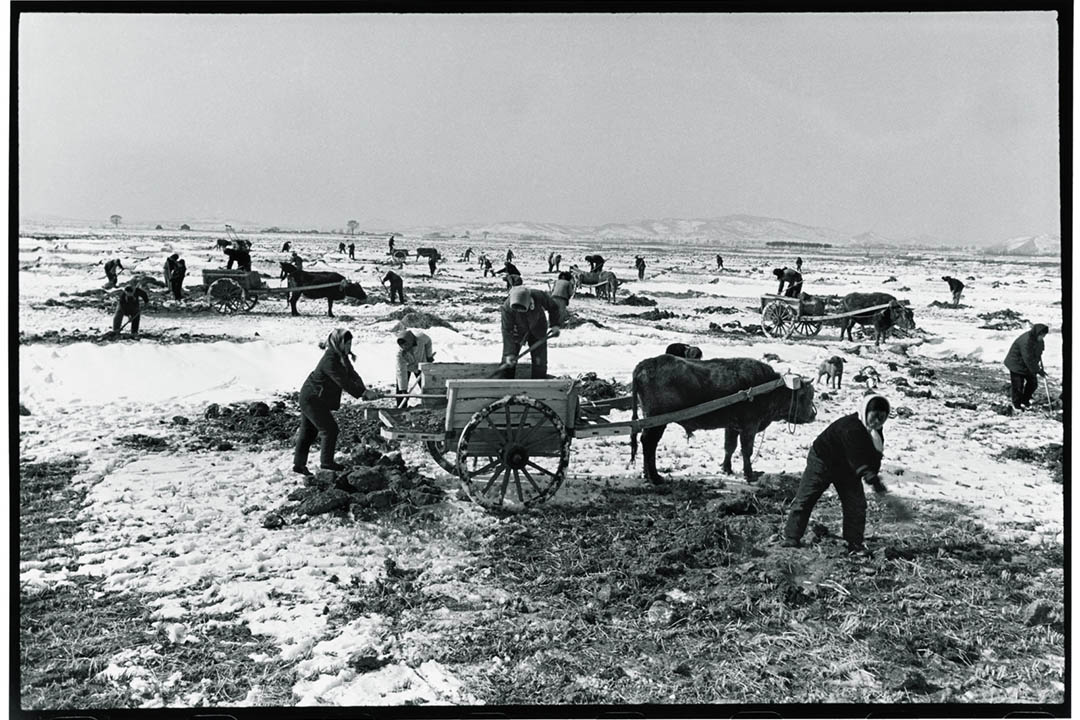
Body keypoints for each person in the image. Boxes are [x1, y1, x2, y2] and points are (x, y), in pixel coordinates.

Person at [782, 395, 892, 556]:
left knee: (856, 504)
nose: (877, 422)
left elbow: (874, 456)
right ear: (865, 411)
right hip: (822, 461)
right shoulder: (850, 427)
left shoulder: (875, 434)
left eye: (882, 418)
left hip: (847, 469)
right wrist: (869, 475)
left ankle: (854, 543)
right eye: (874, 416)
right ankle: (792, 537)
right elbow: (856, 455)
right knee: (806, 498)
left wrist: (874, 475)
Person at [293, 329, 379, 475]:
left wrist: (364, 391)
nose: (349, 347)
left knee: (308, 432)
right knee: (330, 429)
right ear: (339, 343)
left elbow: (352, 375)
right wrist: (362, 393)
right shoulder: (330, 359)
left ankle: (299, 465)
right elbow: (342, 380)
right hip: (312, 398)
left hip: (316, 398)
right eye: (347, 343)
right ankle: (326, 463)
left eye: (351, 343)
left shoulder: (341, 357)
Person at [499, 286, 563, 379]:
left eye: (522, 309)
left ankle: (538, 387)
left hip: (538, 327)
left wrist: (555, 324)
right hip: (518, 331)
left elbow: (553, 307)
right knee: (508, 362)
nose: (520, 311)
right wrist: (509, 353)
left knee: (539, 361)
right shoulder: (507, 308)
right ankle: (505, 387)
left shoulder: (539, 295)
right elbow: (507, 330)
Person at [1003, 324, 1049, 410]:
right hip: (1016, 363)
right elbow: (1028, 358)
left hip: (1027, 365)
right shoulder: (1026, 341)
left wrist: (1039, 365)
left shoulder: (1039, 340)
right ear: (1037, 333)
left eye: (1044, 335)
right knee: (1018, 386)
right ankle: (1016, 404)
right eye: (1042, 335)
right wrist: (1037, 370)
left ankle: (1025, 400)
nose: (1043, 337)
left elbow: (1039, 353)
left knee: (1033, 384)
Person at [394, 329, 435, 408]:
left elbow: (428, 342)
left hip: (420, 364)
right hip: (407, 367)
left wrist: (429, 356)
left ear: (410, 341)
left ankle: (430, 406)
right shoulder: (400, 353)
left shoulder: (421, 338)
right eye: (403, 346)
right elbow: (401, 371)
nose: (405, 347)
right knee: (400, 389)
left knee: (426, 386)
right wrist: (404, 390)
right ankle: (401, 408)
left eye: (406, 345)